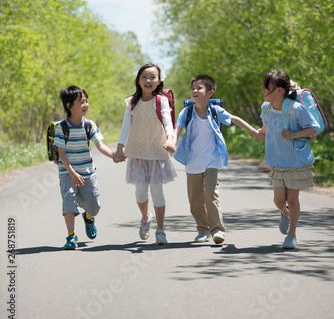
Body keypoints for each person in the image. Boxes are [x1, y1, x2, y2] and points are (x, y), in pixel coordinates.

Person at [171, 74, 261, 245]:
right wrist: (171, 141)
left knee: (211, 194)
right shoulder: (187, 112)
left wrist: (254, 132)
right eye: (193, 88)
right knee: (195, 200)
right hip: (192, 163)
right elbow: (177, 129)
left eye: (199, 88)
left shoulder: (215, 111)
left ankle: (217, 230)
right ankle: (202, 230)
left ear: (210, 92)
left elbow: (235, 119)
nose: (195, 91)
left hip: (212, 160)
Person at [256, 70, 320, 249]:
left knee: (292, 199)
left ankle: (291, 235)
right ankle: (284, 213)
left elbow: (313, 128)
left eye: (267, 88)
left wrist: (294, 134)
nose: (263, 91)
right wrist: (252, 130)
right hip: (277, 160)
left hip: (295, 160)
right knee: (278, 200)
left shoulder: (296, 109)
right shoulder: (266, 108)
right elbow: (264, 130)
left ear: (278, 90)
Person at [114, 63, 176, 246]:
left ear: (159, 81)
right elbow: (126, 125)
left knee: (157, 193)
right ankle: (145, 217)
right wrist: (119, 147)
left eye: (153, 77)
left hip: (157, 151)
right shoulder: (132, 102)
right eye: (144, 77)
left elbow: (167, 120)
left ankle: (161, 230)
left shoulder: (161, 101)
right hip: (138, 152)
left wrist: (170, 139)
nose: (148, 80)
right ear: (138, 80)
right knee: (141, 194)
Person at [54, 85, 116, 250]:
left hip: (88, 172)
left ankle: (88, 217)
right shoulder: (62, 128)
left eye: (86, 101)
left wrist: (114, 156)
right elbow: (62, 154)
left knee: (95, 206)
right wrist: (72, 173)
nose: (85, 105)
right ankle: (71, 236)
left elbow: (100, 146)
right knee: (69, 202)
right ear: (69, 106)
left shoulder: (89, 125)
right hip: (67, 172)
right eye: (81, 102)